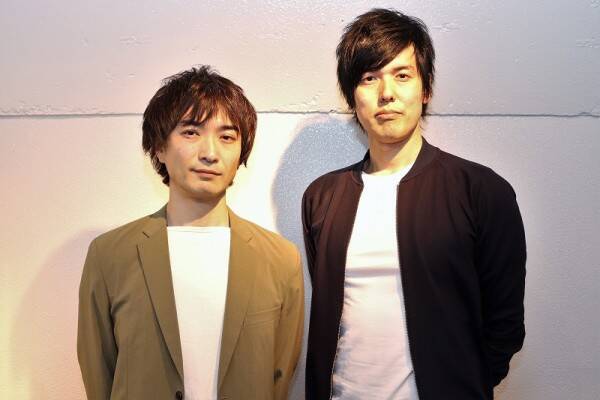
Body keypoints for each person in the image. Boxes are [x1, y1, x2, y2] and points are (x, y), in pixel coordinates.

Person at [302, 9, 526, 400]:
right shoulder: (322, 198)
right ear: (352, 97)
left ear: (425, 90)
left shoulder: (481, 191)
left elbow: (504, 326)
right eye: (369, 78)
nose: (386, 93)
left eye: (402, 75)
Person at [78, 66, 304, 400]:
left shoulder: (280, 259)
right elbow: (99, 371)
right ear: (159, 147)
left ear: (241, 152)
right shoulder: (110, 255)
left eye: (227, 137)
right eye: (191, 132)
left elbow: (279, 374)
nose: (210, 153)